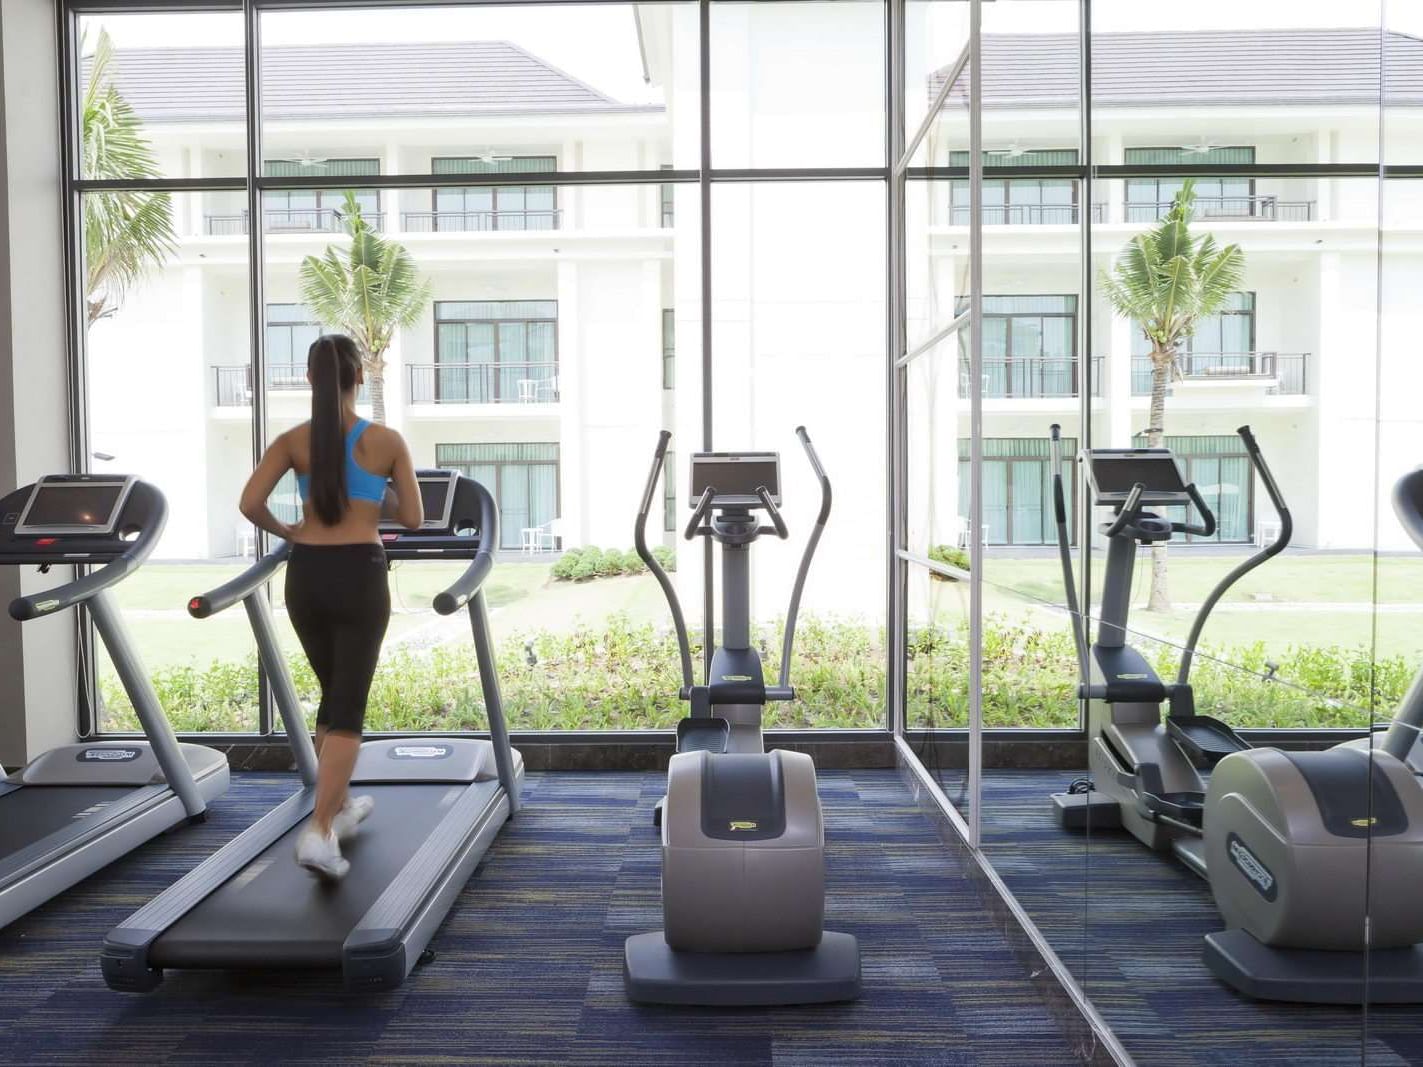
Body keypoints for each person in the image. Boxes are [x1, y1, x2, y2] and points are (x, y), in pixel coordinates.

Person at [238, 334, 422, 880]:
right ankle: (318, 832)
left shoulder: (293, 441)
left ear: (310, 379)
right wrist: (378, 493)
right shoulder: (386, 441)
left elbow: (250, 503)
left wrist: (288, 529)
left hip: (307, 576)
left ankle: (339, 807)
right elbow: (411, 517)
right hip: (359, 576)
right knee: (347, 708)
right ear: (358, 378)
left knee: (332, 696)